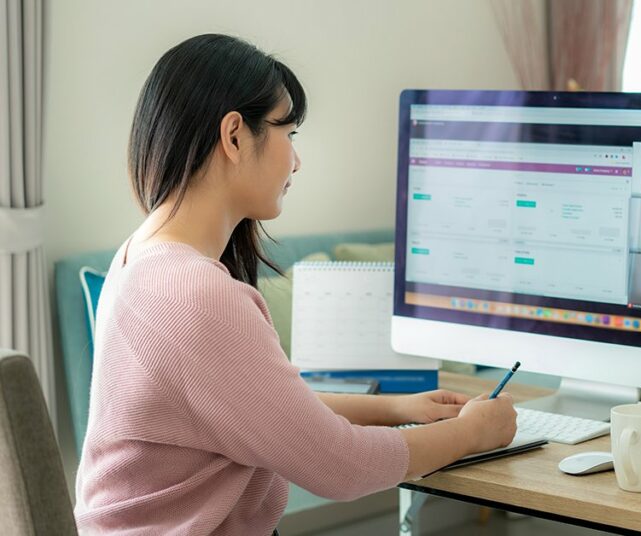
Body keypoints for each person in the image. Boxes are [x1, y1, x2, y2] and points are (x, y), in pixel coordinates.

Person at [74, 34, 517, 535]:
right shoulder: (196, 296)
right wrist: (472, 434)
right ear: (235, 136)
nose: (297, 160)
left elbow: (267, 409)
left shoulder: (142, 255)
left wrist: (394, 408)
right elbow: (343, 466)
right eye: (289, 133)